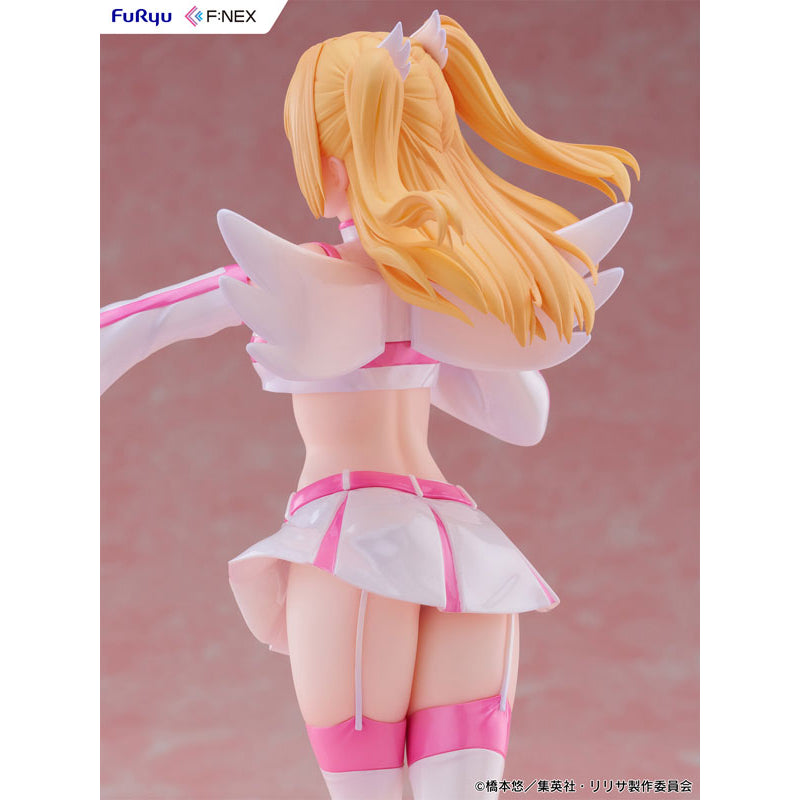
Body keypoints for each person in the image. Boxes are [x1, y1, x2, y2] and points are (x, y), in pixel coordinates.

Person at [100, 11, 638, 799]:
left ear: (327, 154)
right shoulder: (448, 292)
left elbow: (134, 325)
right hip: (462, 547)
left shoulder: (305, 275)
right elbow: (523, 421)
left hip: (353, 538)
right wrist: (442, 323)